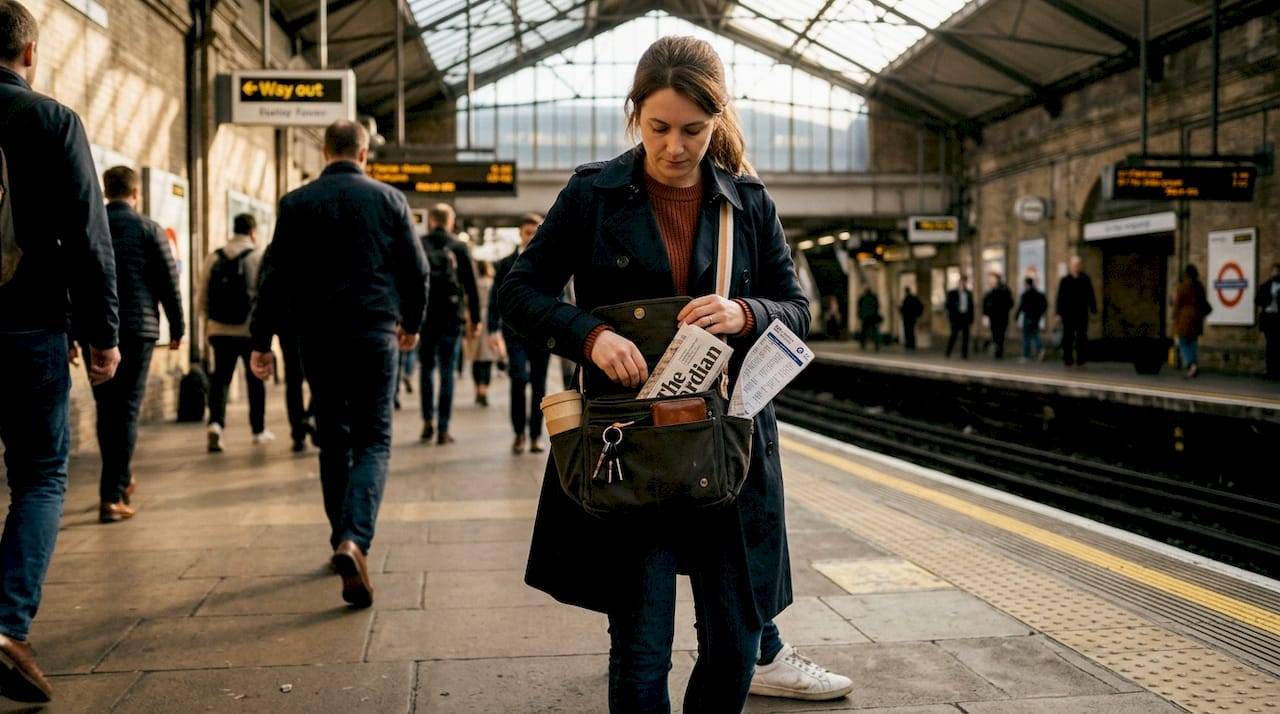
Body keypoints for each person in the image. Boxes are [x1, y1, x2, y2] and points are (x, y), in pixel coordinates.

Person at [499, 36, 851, 709]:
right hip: (631, 448)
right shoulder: (592, 195)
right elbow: (520, 292)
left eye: (693, 130)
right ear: (636, 115)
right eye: (659, 128)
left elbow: (799, 309)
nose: (675, 147)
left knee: (735, 641)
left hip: (728, 448)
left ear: (717, 119)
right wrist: (590, 334)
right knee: (641, 644)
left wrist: (745, 313)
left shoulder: (745, 202)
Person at [248, 119, 428, 609]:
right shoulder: (389, 200)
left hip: (318, 337)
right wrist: (411, 321)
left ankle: (338, 542)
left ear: (323, 152)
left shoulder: (296, 202)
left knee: (333, 438)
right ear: (365, 154)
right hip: (373, 331)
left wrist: (260, 341)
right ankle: (355, 539)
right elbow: (417, 269)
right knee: (374, 438)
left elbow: (275, 276)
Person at [0, 1, 120, 701]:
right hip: (30, 327)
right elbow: (87, 239)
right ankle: (8, 621)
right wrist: (102, 336)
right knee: (41, 475)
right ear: (32, 52)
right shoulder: (51, 120)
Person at [88, 166, 184, 523]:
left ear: (105, 190)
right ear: (136, 193)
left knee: (106, 408)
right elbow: (166, 281)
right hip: (139, 330)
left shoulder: (90, 225)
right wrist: (177, 327)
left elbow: (75, 281)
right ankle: (112, 494)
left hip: (97, 330)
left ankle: (121, 479)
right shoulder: (149, 228)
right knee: (126, 410)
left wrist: (71, 333)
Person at [198, 213, 271, 452]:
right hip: (249, 331)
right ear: (252, 232)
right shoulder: (257, 257)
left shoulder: (214, 257)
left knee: (220, 379)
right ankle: (258, 430)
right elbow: (265, 297)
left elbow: (202, 297)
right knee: (255, 380)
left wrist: (208, 323)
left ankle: (216, 424)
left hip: (219, 330)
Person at [488, 213, 551, 455]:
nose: (531, 237)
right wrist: (493, 328)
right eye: (527, 232)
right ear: (520, 234)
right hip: (513, 331)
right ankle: (518, 433)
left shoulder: (549, 261)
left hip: (542, 331)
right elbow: (497, 297)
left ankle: (535, 435)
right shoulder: (506, 263)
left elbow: (559, 296)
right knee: (519, 378)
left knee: (538, 384)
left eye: (535, 232)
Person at [418, 203, 480, 445]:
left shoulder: (420, 244)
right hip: (451, 317)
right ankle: (443, 428)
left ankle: (427, 422)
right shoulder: (459, 246)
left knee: (426, 370)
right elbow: (471, 286)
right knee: (447, 373)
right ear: (450, 222)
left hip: (425, 317)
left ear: (431, 220)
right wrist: (475, 319)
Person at [1054, 255, 1097, 369]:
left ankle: (1081, 361)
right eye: (1074, 265)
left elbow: (1090, 295)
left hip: (1082, 313)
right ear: (1071, 266)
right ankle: (1068, 361)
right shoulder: (1065, 280)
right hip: (1068, 314)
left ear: (1081, 266)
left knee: (1082, 338)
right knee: (1068, 337)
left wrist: (1093, 310)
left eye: (1078, 264)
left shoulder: (1085, 279)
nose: (1077, 267)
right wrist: (1058, 313)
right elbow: (1060, 298)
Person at [1171, 264, 1211, 379]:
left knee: (1183, 342)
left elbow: (1177, 305)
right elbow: (1203, 303)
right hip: (1197, 318)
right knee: (1193, 342)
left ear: (1186, 274)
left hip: (1185, 318)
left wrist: (1174, 318)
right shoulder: (1199, 286)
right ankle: (1193, 366)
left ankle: (1192, 364)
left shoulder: (1182, 287)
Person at [467, 259, 497, 406]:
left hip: (474, 322)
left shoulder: (475, 283)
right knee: (488, 360)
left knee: (476, 359)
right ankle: (484, 389)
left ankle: (477, 389)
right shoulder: (492, 283)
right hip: (489, 322)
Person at [1255, 262, 1280, 380]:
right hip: (1269, 318)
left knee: (1277, 345)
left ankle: (1276, 371)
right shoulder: (1266, 285)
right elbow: (1257, 300)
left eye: (1278, 271)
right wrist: (1268, 299)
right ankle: (1270, 371)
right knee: (1270, 345)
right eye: (1274, 271)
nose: (1276, 273)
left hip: (1278, 317)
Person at [1013, 276, 1047, 362]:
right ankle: (1040, 348)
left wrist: (1016, 316)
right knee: (1034, 334)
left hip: (1028, 317)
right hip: (1036, 318)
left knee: (1027, 337)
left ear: (1027, 284)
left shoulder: (1026, 294)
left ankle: (1028, 355)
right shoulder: (1039, 294)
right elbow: (1044, 305)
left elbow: (1021, 306)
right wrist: (1039, 314)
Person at [982, 272, 1013, 359]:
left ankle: (998, 351)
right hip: (996, 317)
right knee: (997, 335)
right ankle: (998, 351)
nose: (990, 282)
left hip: (1000, 317)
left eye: (992, 280)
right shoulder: (991, 292)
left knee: (999, 334)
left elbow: (1010, 303)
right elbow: (985, 305)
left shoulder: (1002, 291)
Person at [945, 275, 974, 359]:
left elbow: (971, 306)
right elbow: (948, 305)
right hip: (956, 317)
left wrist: (971, 318)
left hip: (965, 317)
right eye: (961, 282)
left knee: (966, 336)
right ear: (959, 282)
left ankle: (964, 353)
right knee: (954, 335)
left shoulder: (968, 293)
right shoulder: (952, 293)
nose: (963, 283)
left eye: (964, 282)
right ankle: (948, 352)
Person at [856, 285, 881, 351]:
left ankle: (863, 344)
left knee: (864, 331)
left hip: (866, 317)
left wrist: (860, 315)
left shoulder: (863, 297)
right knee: (874, 331)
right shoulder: (873, 297)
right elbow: (877, 306)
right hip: (872, 317)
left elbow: (859, 306)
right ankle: (876, 344)